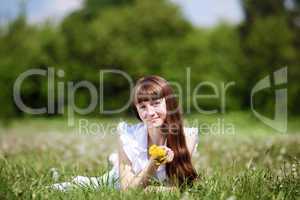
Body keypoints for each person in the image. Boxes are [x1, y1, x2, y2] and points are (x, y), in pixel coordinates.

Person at [51, 75, 199, 192]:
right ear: (137, 111)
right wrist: (153, 163)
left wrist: (148, 190)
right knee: (81, 185)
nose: (150, 112)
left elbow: (176, 189)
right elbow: (128, 192)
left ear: (169, 103)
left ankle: (116, 160)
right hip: (114, 182)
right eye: (143, 107)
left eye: (155, 103)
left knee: (121, 161)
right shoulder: (127, 136)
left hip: (139, 179)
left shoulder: (187, 137)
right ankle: (117, 162)